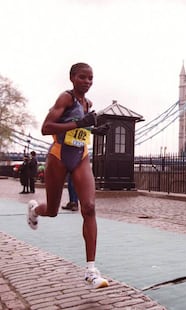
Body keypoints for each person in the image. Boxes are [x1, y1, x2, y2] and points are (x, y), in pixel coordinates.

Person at [26, 62, 110, 288]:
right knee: (52, 211)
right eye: (83, 77)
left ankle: (91, 271)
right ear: (72, 78)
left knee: (89, 207)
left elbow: (80, 128)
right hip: (59, 155)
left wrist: (93, 129)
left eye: (91, 78)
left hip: (81, 156)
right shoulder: (65, 99)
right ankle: (35, 209)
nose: (88, 82)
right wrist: (79, 122)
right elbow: (46, 128)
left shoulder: (88, 103)